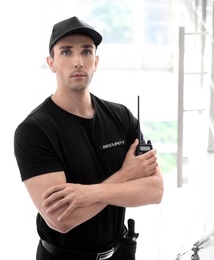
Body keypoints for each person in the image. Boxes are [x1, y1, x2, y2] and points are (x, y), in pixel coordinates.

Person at [14, 16, 164, 260]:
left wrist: (89, 194)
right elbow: (61, 219)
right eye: (66, 52)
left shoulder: (121, 116)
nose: (78, 61)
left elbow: (155, 190)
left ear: (96, 61)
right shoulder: (35, 130)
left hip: (120, 253)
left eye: (86, 51)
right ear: (51, 63)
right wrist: (125, 176)